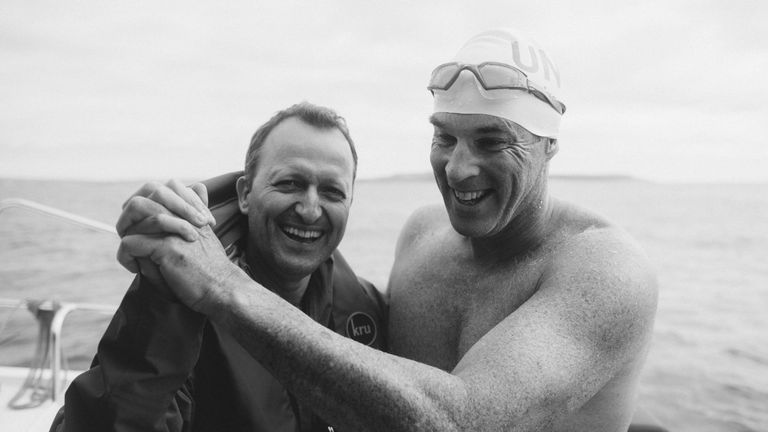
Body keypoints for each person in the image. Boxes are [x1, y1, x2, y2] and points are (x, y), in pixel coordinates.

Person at [114, 28, 659, 431]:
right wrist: (193, 216)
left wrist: (220, 284)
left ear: (550, 146)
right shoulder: (423, 236)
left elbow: (458, 419)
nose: (458, 168)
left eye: (492, 141)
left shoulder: (605, 270)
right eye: (445, 137)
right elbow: (349, 356)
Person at [50, 102, 388, 432]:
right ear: (245, 194)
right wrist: (159, 300)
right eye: (290, 183)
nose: (311, 209)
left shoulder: (367, 308)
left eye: (332, 192)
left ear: (350, 203)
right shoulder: (181, 310)